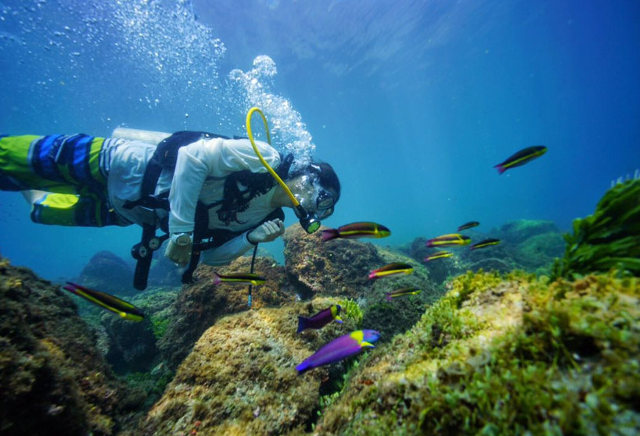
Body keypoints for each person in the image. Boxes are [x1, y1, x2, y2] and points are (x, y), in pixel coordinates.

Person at [0, 131, 340, 289]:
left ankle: (34, 196)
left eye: (325, 210)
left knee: (42, 210)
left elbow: (210, 258)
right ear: (307, 176)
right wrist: (180, 232)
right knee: (9, 159)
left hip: (129, 212)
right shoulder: (266, 157)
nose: (316, 208)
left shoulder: (269, 220)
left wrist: (249, 239)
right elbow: (194, 156)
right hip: (117, 164)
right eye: (321, 197)